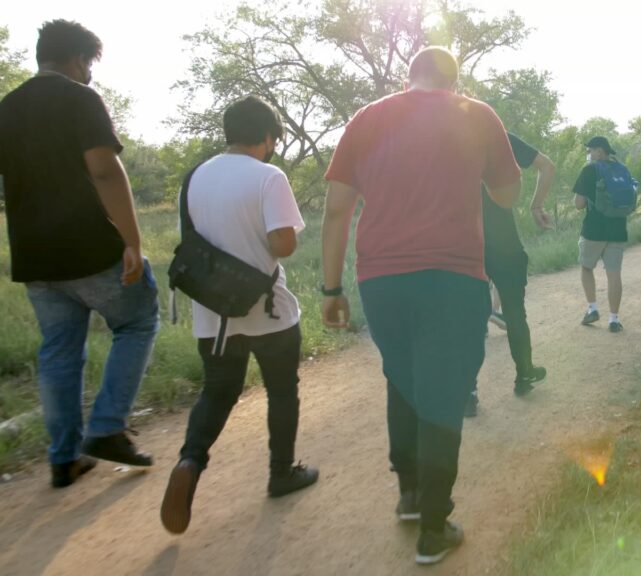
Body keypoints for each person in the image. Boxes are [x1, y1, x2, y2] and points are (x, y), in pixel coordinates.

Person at [321, 46, 521, 565]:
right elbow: (506, 196)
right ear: (454, 81)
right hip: (453, 276)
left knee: (402, 376)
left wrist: (330, 289)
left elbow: (337, 210)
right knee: (444, 390)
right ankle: (434, 525)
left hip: (381, 280)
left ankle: (410, 494)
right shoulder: (477, 116)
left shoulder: (367, 118)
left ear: (409, 77)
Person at [0, 20, 159, 488]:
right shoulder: (80, 98)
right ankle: (108, 427)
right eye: (88, 65)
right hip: (90, 248)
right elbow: (105, 172)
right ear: (76, 60)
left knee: (58, 352)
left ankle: (64, 457)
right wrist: (132, 241)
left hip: (35, 258)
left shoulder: (6, 108)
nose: (89, 75)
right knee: (137, 320)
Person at [160, 96, 318, 535]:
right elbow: (282, 245)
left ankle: (190, 460)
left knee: (217, 392)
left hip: (213, 313)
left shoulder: (194, 177)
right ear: (267, 137)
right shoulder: (269, 176)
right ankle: (281, 472)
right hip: (268, 311)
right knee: (282, 391)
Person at [465, 132, 554, 418]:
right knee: (515, 312)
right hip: (504, 243)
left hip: (463, 244)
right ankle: (524, 374)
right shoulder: (495, 133)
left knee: (466, 320)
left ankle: (467, 392)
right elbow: (547, 166)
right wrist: (536, 205)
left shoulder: (436, 137)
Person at [574, 136, 628, 333]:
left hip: (594, 230)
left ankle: (593, 309)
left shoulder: (589, 170)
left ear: (599, 151)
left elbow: (579, 204)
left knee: (586, 268)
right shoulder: (622, 169)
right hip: (618, 230)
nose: (588, 154)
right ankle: (614, 320)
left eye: (590, 150)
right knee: (614, 274)